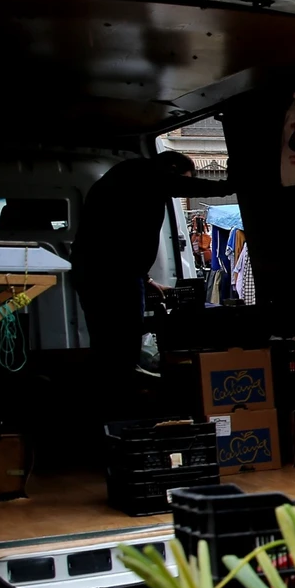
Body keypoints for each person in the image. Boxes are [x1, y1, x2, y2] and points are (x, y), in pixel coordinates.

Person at [70, 151, 234, 405]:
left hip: (103, 272)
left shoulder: (129, 178)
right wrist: (228, 187)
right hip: (111, 276)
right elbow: (120, 244)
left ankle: (112, 395)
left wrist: (146, 280)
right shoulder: (144, 173)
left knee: (108, 340)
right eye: (182, 180)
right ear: (171, 170)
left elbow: (124, 233)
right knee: (120, 343)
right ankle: (119, 402)